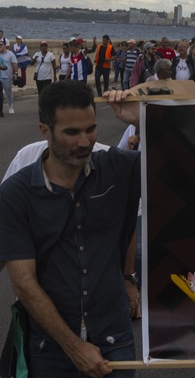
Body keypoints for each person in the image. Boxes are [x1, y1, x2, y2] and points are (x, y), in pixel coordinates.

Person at [0, 80, 141, 377]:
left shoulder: (116, 169)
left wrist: (143, 120)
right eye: (72, 132)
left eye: (91, 129)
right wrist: (74, 346)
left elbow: (180, 164)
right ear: (45, 131)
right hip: (50, 350)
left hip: (115, 340)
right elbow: (24, 283)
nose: (85, 142)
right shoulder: (17, 193)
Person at [0, 41, 18, 116]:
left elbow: (14, 64)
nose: (0, 46)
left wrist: (15, 74)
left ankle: (10, 106)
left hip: (7, 77)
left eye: (1, 45)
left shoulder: (10, 54)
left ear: (4, 45)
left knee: (8, 93)